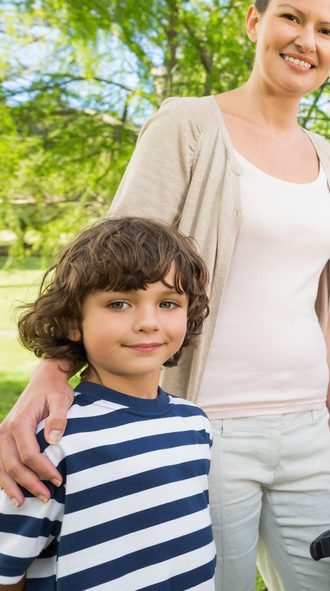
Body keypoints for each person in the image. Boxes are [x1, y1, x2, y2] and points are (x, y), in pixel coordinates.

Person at [0, 0, 330, 591]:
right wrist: (54, 369)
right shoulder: (189, 126)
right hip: (201, 424)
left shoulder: (325, 158)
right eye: (291, 17)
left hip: (308, 429)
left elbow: (316, 297)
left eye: (327, 30)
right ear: (254, 21)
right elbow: (107, 262)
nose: (308, 41)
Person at [1, 217, 214, 589]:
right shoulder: (53, 441)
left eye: (168, 302)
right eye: (119, 303)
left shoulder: (194, 423)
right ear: (72, 322)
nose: (148, 322)